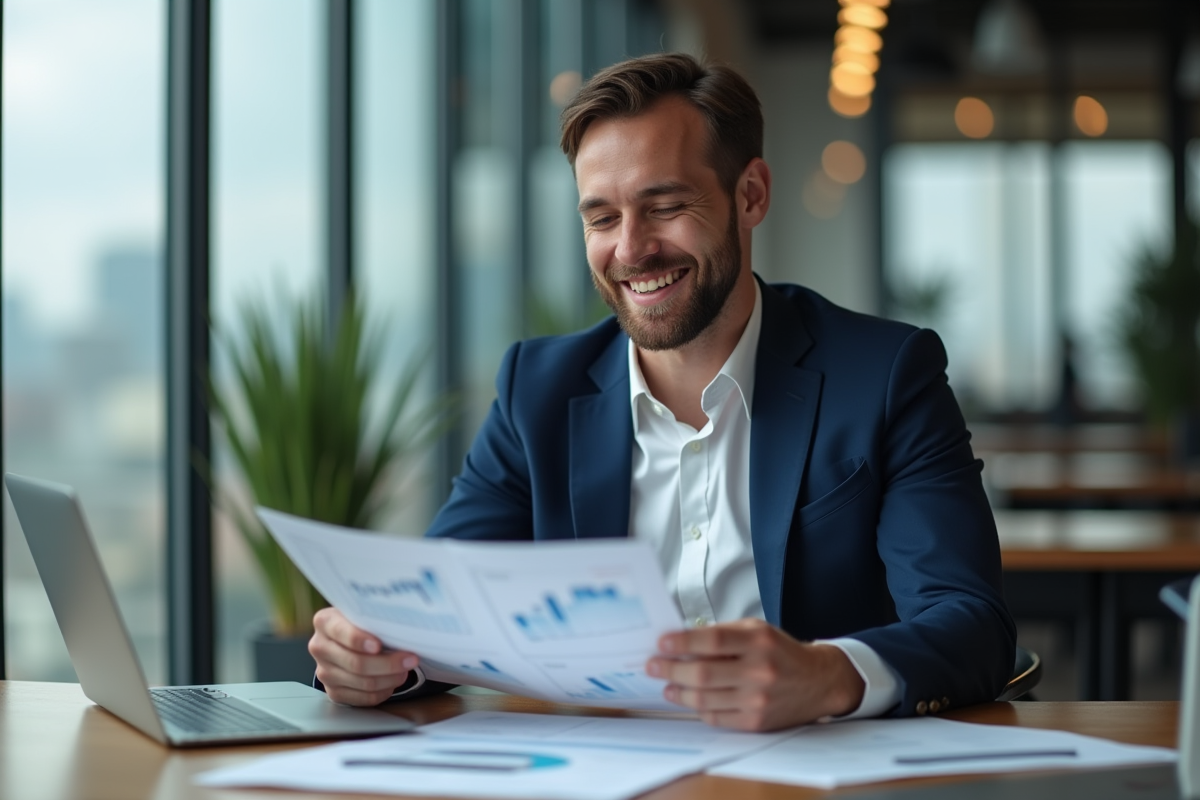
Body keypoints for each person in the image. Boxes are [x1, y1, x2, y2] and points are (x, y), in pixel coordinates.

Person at [308, 52, 1015, 732]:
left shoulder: (885, 374)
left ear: (751, 195)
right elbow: (441, 611)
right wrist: (375, 659)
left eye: (665, 205)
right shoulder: (538, 392)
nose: (631, 249)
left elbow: (970, 622)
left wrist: (829, 674)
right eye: (601, 218)